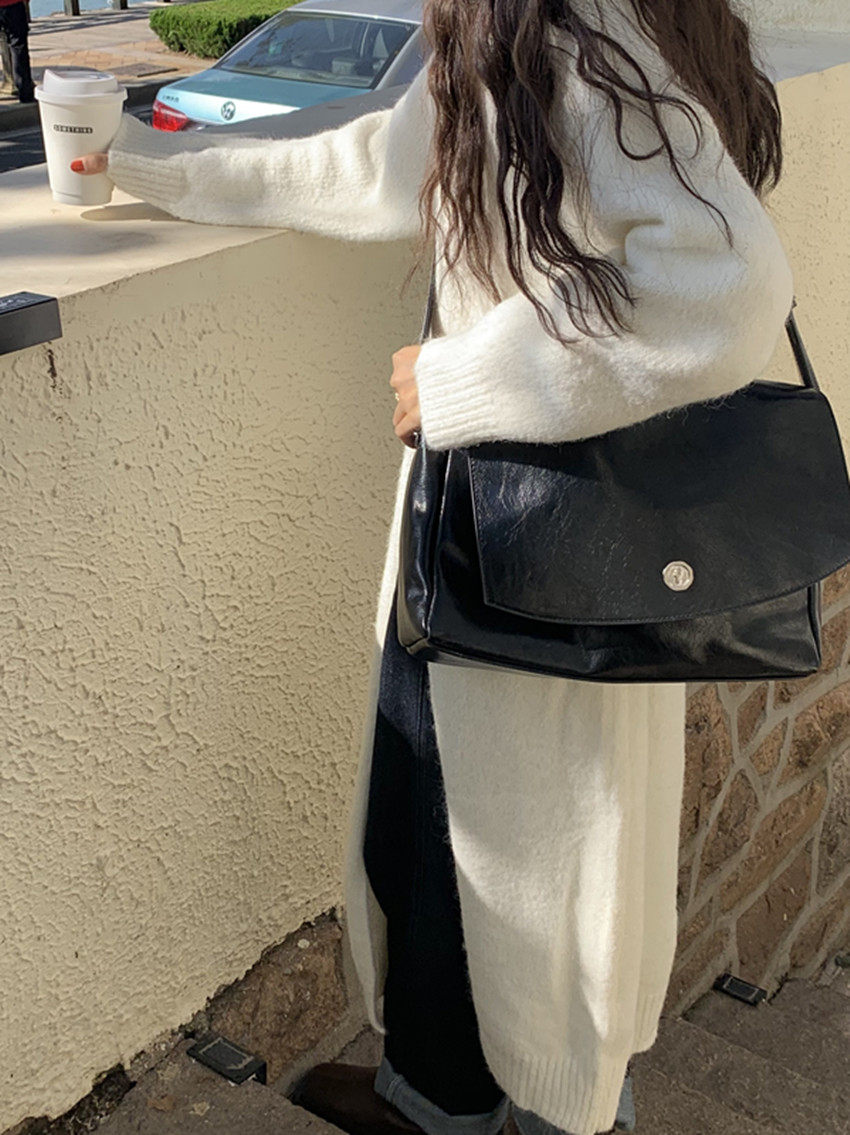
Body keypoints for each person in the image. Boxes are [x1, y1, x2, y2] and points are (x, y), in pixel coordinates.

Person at [73, 1, 793, 1132]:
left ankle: (507, 1111)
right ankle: (444, 1098)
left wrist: (466, 379)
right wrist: (146, 161)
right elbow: (379, 164)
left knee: (524, 861)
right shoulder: (525, 27)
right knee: (471, 840)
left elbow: (726, 286)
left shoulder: (571, 29)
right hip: (515, 524)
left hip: (537, 533)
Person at [0, 0, 34, 104]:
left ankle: (24, 91)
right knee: (18, 47)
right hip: (13, 5)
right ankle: (25, 93)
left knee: (18, 46)